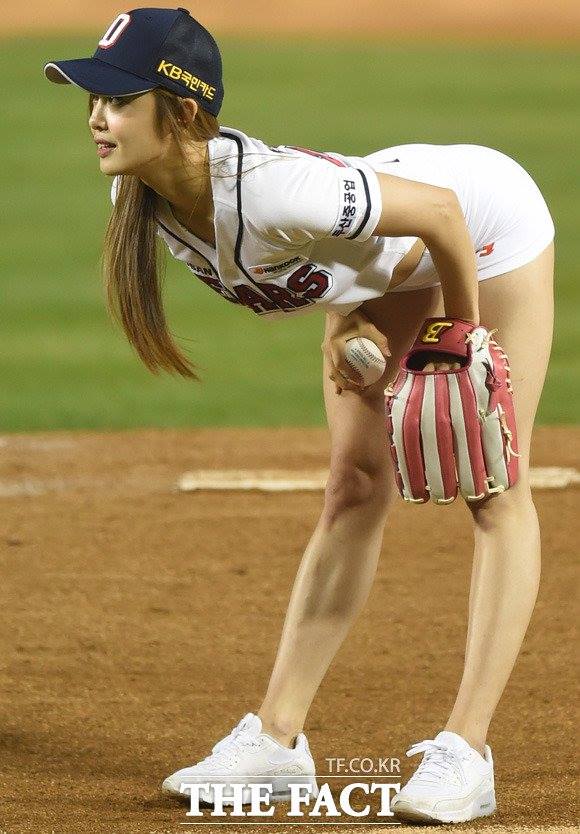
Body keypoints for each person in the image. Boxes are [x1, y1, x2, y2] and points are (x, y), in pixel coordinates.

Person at [44, 7, 555, 825]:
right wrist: (347, 322)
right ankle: (278, 742)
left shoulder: (273, 189)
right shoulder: (144, 200)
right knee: (354, 485)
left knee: (491, 480)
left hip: (483, 222)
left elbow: (441, 215)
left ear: (182, 111)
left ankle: (468, 751)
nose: (97, 118)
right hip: (391, 260)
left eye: (118, 98)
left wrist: (458, 339)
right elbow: (316, 262)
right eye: (93, 99)